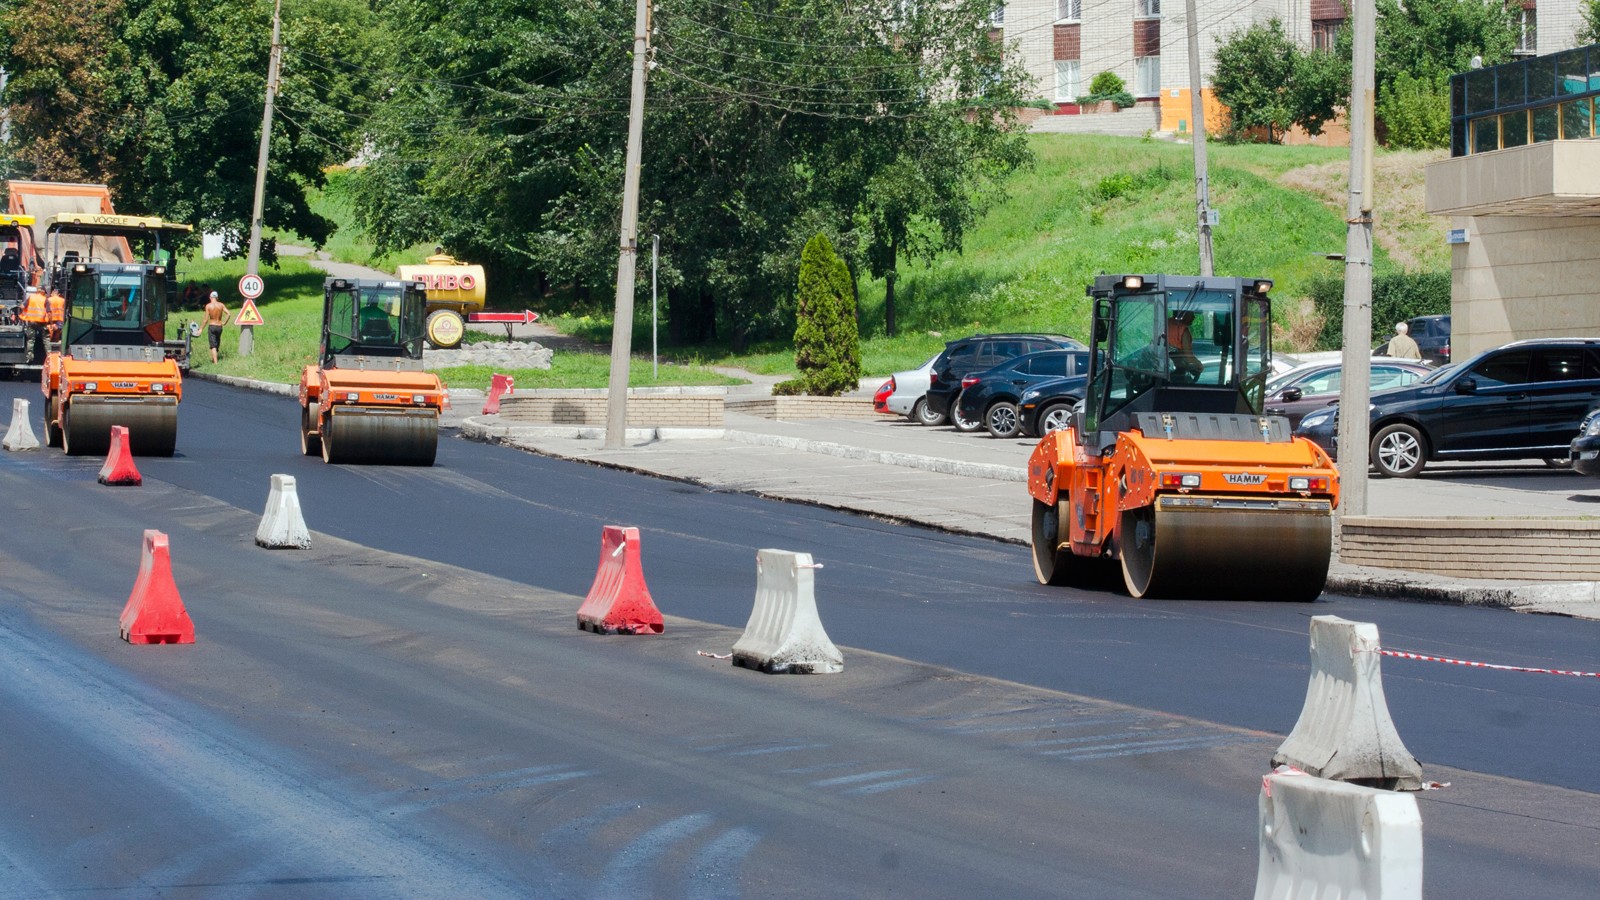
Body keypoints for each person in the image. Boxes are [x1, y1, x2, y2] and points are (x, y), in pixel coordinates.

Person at [1166, 310, 1203, 382]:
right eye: (1191, 313)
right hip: (1175, 372)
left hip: (1163, 370)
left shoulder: (1165, 323)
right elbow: (1188, 357)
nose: (1194, 317)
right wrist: (1199, 365)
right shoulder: (1184, 332)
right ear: (1183, 313)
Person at [203, 290, 231, 364]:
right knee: (217, 343)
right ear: (217, 298)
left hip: (212, 325)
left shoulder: (208, 306)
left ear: (210, 297)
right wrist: (224, 322)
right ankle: (215, 359)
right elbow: (229, 314)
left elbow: (206, 320)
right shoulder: (221, 305)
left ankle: (215, 363)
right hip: (219, 326)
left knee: (213, 345)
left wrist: (201, 328)